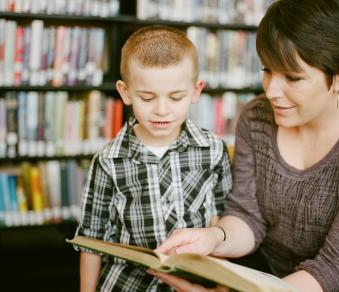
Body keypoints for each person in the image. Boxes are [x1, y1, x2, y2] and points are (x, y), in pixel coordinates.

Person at [151, 1, 339, 292]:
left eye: (292, 77)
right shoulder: (256, 117)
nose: (271, 90)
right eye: (267, 70)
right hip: (268, 267)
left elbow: (337, 268)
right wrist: (214, 237)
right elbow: (247, 217)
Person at [74, 26, 232, 291]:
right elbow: (91, 239)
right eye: (147, 98)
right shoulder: (109, 160)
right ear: (125, 92)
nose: (161, 110)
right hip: (127, 284)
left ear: (195, 91)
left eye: (176, 97)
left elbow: (224, 221)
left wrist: (222, 288)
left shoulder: (213, 149)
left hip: (194, 283)